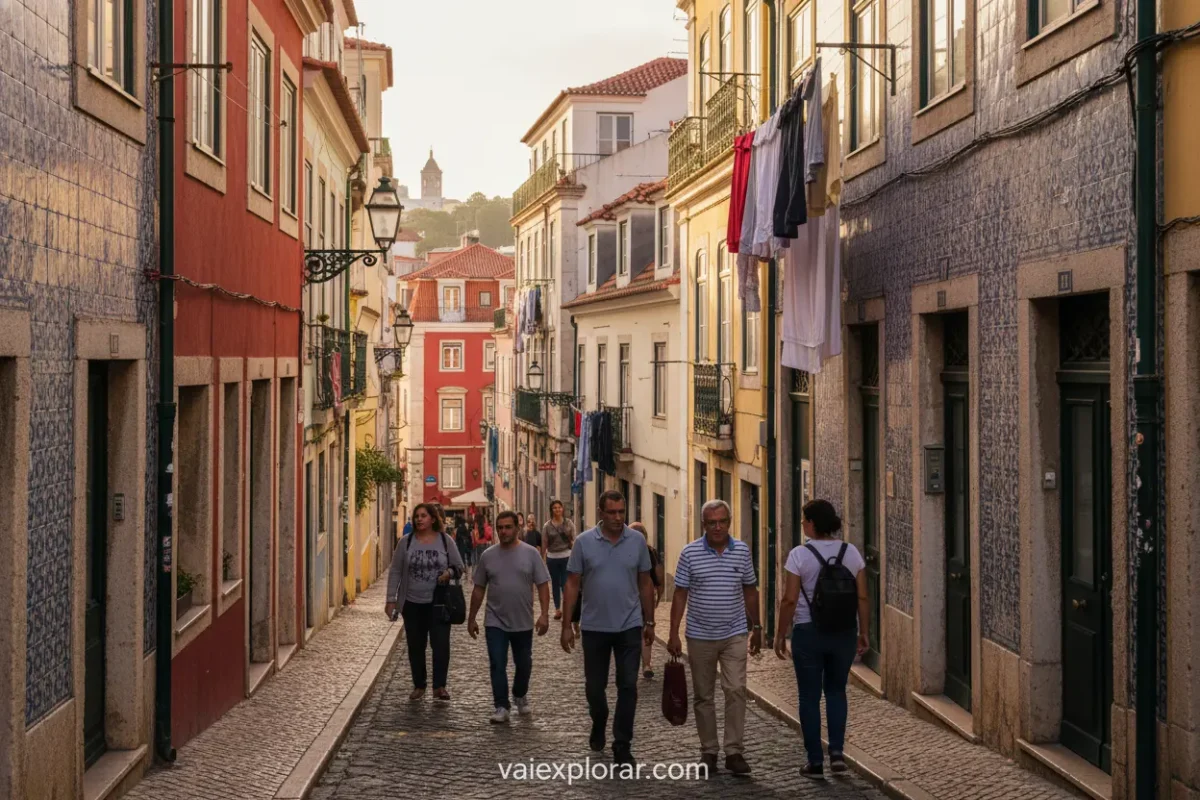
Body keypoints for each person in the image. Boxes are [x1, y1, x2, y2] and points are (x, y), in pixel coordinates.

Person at [773, 499, 869, 779]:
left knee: (809, 696)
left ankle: (815, 762)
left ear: (813, 523)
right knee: (837, 691)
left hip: (808, 632)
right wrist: (864, 631)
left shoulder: (799, 556)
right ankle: (837, 754)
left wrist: (780, 634)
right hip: (843, 633)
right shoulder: (851, 553)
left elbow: (789, 599)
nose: (802, 524)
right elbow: (862, 596)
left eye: (804, 520)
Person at [666, 500, 761, 777]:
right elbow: (680, 593)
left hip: (734, 633)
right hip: (699, 635)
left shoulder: (741, 551)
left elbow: (750, 589)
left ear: (729, 522)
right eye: (711, 522)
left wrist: (758, 628)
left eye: (722, 521)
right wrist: (673, 632)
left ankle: (734, 751)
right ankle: (708, 751)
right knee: (703, 696)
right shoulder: (690, 553)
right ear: (703, 525)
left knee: (735, 689)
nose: (717, 527)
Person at [561, 491, 656, 765]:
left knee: (628, 685)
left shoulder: (637, 541)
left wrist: (650, 621)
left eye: (621, 512)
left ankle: (622, 744)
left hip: (629, 625)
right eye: (612, 512)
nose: (617, 518)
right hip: (594, 627)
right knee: (594, 688)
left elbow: (646, 583)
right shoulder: (583, 542)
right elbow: (572, 584)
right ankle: (599, 719)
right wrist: (567, 625)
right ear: (601, 513)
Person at [468, 511, 551, 724]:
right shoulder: (488, 556)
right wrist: (472, 617)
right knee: (497, 662)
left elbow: (542, 585)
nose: (503, 531)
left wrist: (544, 615)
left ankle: (520, 693)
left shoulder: (531, 554)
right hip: (495, 620)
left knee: (524, 664)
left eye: (507, 527)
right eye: (500, 527)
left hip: (523, 621)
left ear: (517, 528)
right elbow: (478, 589)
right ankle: (501, 705)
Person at [385, 503, 465, 703]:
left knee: (440, 645)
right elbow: (395, 571)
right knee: (415, 646)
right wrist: (391, 599)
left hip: (438, 603)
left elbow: (459, 567)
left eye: (423, 516)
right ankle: (419, 685)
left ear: (433, 519)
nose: (419, 519)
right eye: (416, 516)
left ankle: (440, 687)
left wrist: (448, 572)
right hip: (412, 603)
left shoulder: (445, 542)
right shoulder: (406, 542)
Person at [628, 522, 663, 678]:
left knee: (630, 630)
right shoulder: (651, 552)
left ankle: (632, 663)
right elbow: (659, 577)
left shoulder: (623, 552)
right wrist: (658, 597)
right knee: (646, 628)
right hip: (646, 596)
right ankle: (646, 665)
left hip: (628, 596)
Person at [542, 500, 576, 619]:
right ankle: (557, 609)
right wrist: (542, 559)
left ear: (562, 509)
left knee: (565, 583)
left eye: (559, 507)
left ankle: (567, 607)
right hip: (552, 558)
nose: (557, 510)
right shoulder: (547, 526)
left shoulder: (569, 523)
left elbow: (573, 540)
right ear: (552, 510)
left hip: (566, 556)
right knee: (555, 584)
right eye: (555, 508)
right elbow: (545, 543)